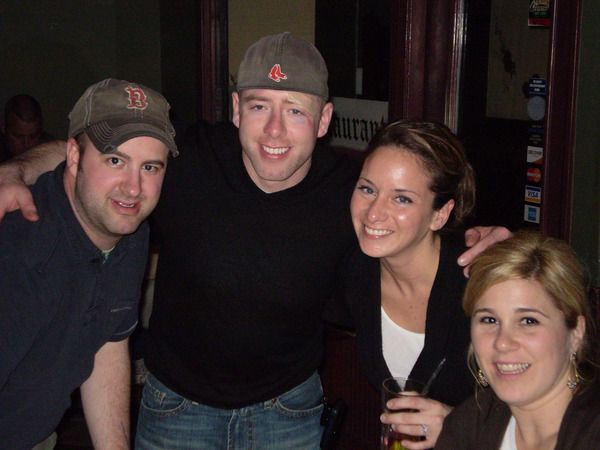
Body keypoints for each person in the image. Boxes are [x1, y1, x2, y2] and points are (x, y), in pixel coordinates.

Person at [0, 33, 509, 449]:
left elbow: (412, 217)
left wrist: (499, 252)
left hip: (287, 413)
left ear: (324, 120)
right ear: (237, 110)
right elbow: (103, 151)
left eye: (296, 110)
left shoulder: (352, 194)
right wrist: (16, 168)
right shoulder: (185, 162)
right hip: (175, 410)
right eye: (260, 105)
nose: (274, 131)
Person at [0, 78, 177, 450]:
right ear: (73, 157)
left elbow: (107, 343)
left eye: (150, 167)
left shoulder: (129, 231)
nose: (133, 188)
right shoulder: (20, 248)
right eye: (115, 161)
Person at [329, 120, 476, 449]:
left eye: (402, 199)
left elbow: (550, 411)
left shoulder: (479, 286)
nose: (374, 213)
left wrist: (461, 426)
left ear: (440, 214)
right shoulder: (354, 273)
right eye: (368, 189)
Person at [436, 231, 600, 450]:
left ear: (576, 332)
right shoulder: (468, 424)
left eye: (528, 321)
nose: (503, 343)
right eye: (489, 319)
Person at [0, 94, 53, 161]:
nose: (26, 144)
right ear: (3, 128)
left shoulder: (50, 149)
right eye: (18, 136)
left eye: (33, 136)